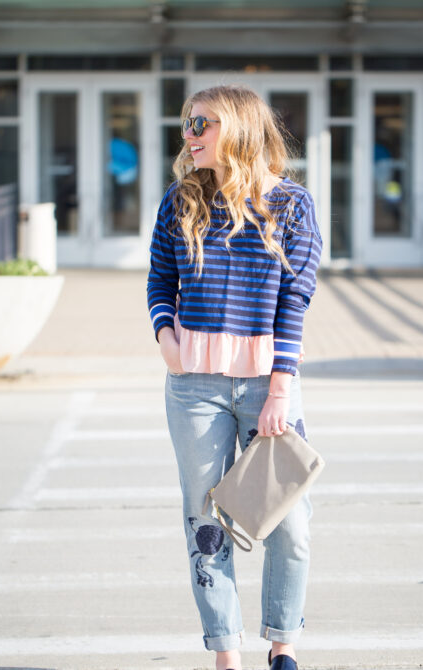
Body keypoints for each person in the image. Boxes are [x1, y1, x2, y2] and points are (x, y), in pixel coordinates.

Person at [147, 84, 322, 670]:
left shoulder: (292, 206)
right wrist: (165, 335)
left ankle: (283, 644)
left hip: (267, 385)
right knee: (204, 520)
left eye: (203, 125)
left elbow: (294, 301)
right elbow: (158, 276)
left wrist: (279, 389)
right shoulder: (180, 201)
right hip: (193, 385)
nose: (190, 136)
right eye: (188, 125)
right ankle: (226, 652)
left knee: (289, 519)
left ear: (240, 131)